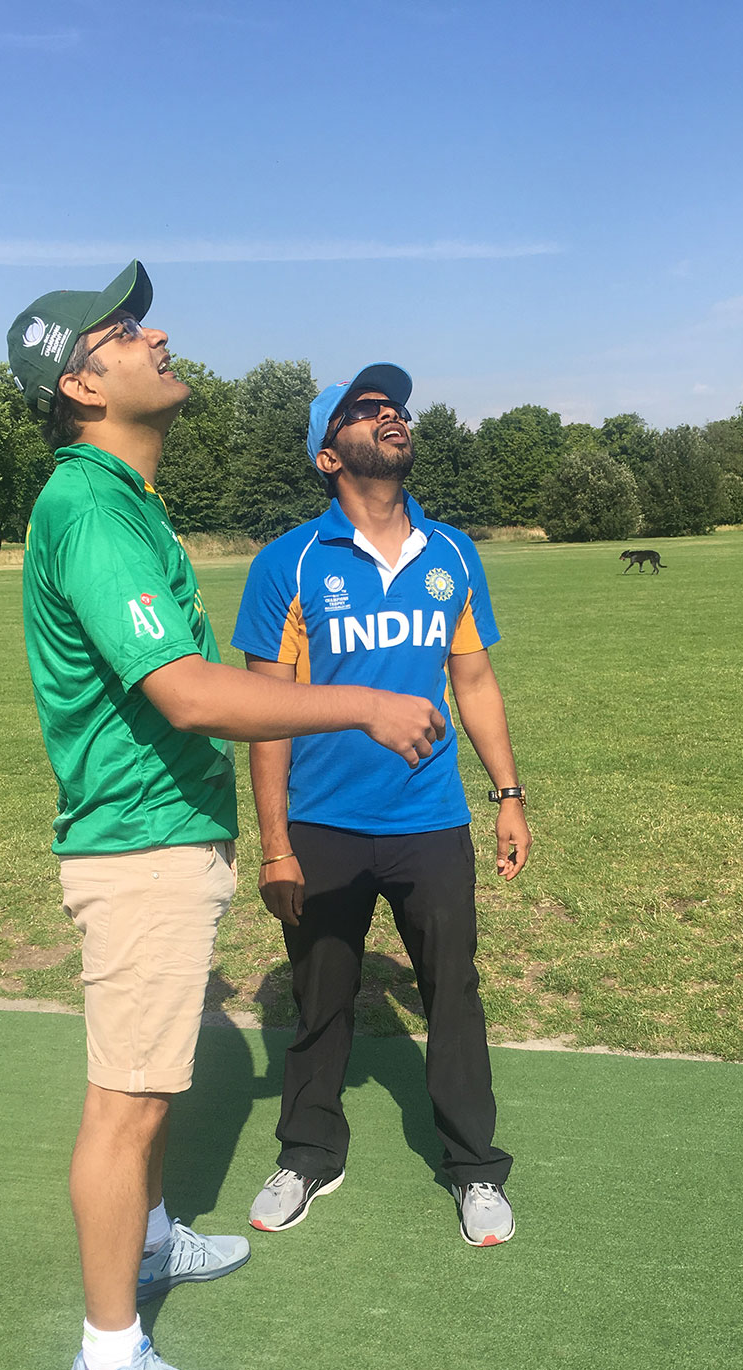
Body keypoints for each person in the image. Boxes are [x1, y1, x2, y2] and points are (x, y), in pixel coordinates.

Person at [8, 274, 446, 1370]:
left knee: (152, 1089)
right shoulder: (92, 508)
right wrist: (359, 702)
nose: (156, 333)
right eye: (124, 330)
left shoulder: (122, 502)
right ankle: (110, 1363)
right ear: (82, 381)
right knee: (127, 1102)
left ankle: (150, 1239)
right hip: (138, 846)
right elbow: (188, 692)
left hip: (165, 837)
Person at [232, 364, 532, 1248]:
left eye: (392, 405)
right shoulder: (287, 563)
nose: (388, 414)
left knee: (454, 993)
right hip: (322, 826)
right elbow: (264, 720)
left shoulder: (452, 554)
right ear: (330, 455)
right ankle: (309, 1154)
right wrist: (276, 844)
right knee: (322, 1000)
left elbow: (474, 681)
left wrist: (508, 794)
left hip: (431, 821)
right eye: (364, 410)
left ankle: (474, 1167)